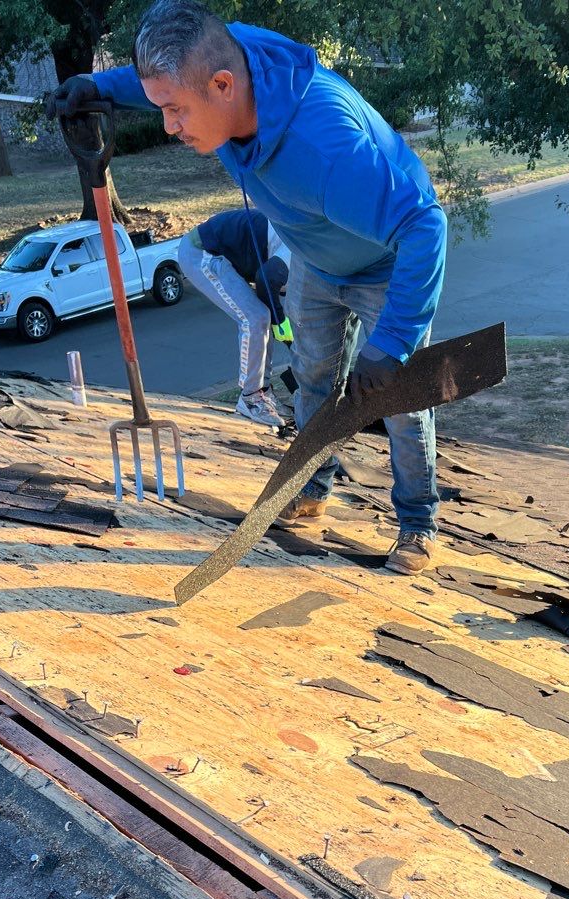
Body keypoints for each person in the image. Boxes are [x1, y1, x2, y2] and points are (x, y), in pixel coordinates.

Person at [49, 0, 448, 574]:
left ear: (222, 86)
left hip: (386, 267)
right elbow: (171, 78)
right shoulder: (220, 58)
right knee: (313, 380)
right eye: (163, 107)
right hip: (314, 260)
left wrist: (394, 340)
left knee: (403, 402)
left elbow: (426, 227)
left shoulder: (327, 148)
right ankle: (312, 487)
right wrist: (99, 87)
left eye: (176, 110)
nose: (168, 125)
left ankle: (418, 523)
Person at [178, 207, 290, 431]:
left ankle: (263, 391)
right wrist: (284, 331)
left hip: (231, 255)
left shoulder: (309, 249)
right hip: (202, 252)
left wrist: (286, 332)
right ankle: (251, 398)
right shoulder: (297, 251)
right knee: (255, 318)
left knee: (264, 316)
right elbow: (265, 280)